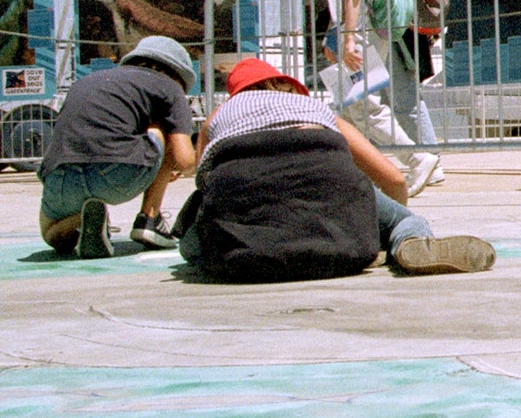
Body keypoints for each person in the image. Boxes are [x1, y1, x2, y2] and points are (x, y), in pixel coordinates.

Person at [176, 58, 492, 280]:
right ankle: (407, 245)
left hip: (243, 233)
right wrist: (382, 224)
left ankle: (252, 252)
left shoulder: (220, 113)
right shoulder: (313, 108)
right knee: (405, 221)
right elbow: (393, 178)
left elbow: (203, 182)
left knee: (192, 241)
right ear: (281, 85)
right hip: (327, 176)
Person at [319, 0, 441, 197]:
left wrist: (346, 38)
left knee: (364, 106)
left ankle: (417, 158)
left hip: (362, 32)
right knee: (350, 107)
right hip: (380, 30)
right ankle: (359, 174)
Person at [37, 35, 197, 258]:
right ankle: (149, 220)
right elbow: (186, 161)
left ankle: (86, 221)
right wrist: (172, 162)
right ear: (178, 75)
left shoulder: (90, 80)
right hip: (115, 173)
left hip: (60, 176)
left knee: (51, 234)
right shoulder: (169, 87)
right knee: (161, 129)